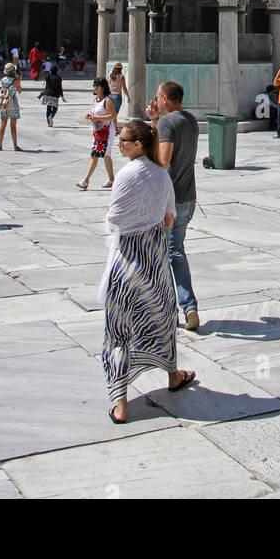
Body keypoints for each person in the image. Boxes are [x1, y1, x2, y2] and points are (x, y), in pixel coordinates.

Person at [99, 117, 195, 425]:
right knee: (162, 316)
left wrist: (133, 224)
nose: (119, 142)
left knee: (119, 327)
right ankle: (173, 376)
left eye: (123, 139)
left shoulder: (127, 175)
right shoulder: (161, 175)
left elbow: (113, 218)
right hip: (155, 257)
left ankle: (121, 404)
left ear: (137, 145)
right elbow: (169, 218)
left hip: (128, 256)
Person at [148, 80, 200, 330]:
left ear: (166, 99)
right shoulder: (190, 120)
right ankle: (188, 306)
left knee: (158, 254)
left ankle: (167, 310)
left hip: (170, 201)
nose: (155, 99)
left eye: (158, 96)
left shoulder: (169, 123)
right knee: (175, 251)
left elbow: (165, 160)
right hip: (189, 197)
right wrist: (155, 121)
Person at [77, 78, 117, 190]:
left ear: (103, 88)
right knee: (106, 155)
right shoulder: (95, 100)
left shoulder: (107, 100)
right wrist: (90, 115)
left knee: (95, 154)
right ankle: (111, 178)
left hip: (106, 132)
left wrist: (97, 118)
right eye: (94, 86)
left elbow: (112, 115)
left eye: (97, 86)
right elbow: (94, 112)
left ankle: (86, 180)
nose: (95, 88)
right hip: (97, 132)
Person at [0, 60, 23, 151]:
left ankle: (0, 145)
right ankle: (15, 145)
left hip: (4, 103)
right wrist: (19, 80)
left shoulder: (2, 80)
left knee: (3, 125)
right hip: (12, 103)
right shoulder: (16, 81)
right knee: (13, 126)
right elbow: (19, 91)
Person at [41, 61, 65, 127]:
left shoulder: (47, 76)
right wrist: (62, 96)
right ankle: (51, 116)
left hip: (47, 94)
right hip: (55, 94)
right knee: (55, 108)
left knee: (48, 108)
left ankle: (49, 122)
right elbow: (60, 88)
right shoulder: (58, 78)